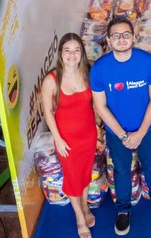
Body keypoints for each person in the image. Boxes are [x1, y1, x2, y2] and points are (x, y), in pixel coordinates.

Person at [90, 18, 151, 236]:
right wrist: (123, 135)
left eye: (126, 34)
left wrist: (141, 132)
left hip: (147, 128)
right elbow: (100, 106)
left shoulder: (147, 62)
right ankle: (123, 210)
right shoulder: (99, 68)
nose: (121, 39)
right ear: (108, 40)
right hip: (117, 133)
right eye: (116, 35)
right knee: (121, 170)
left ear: (133, 37)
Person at [40, 33, 98, 238]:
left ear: (81, 53)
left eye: (76, 50)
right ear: (60, 53)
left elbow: (96, 103)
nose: (72, 55)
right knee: (73, 178)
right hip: (67, 140)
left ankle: (84, 205)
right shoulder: (52, 79)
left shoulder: (88, 72)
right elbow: (47, 112)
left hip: (88, 135)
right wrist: (58, 138)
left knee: (85, 175)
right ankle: (80, 218)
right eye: (67, 50)